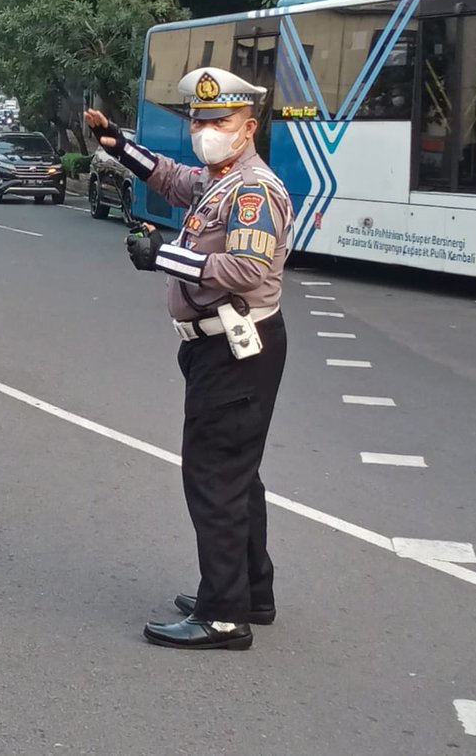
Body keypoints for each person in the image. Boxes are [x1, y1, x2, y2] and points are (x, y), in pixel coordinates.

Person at [84, 66, 292, 652]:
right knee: (236, 473)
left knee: (215, 477)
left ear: (248, 127)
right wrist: (121, 147)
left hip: (234, 349)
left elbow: (248, 270)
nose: (205, 131)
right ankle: (251, 589)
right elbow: (175, 181)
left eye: (219, 121)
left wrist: (166, 257)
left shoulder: (254, 191)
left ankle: (225, 615)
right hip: (221, 347)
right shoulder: (222, 180)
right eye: (199, 120)